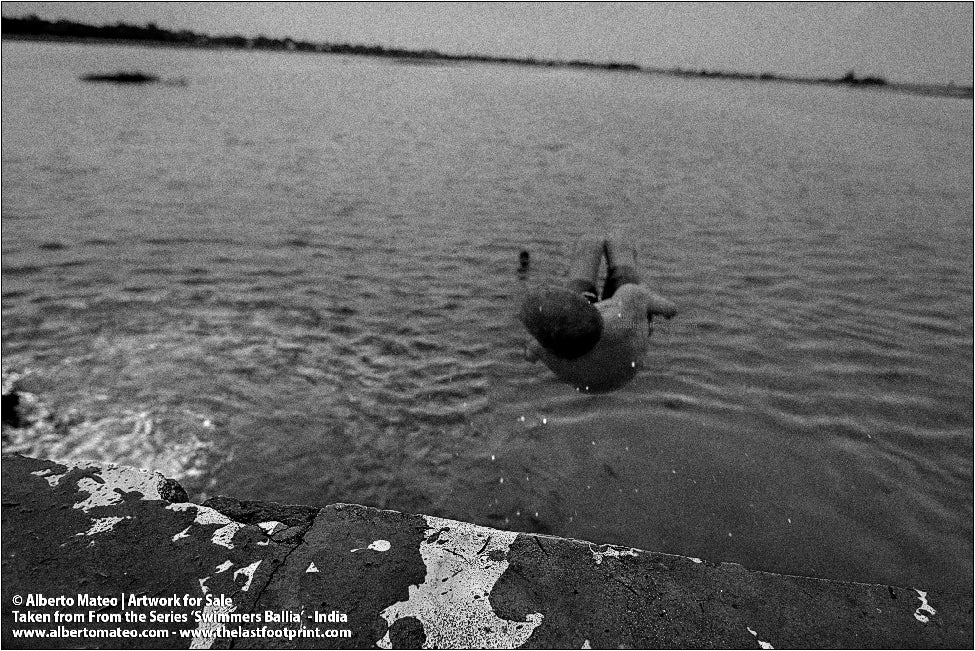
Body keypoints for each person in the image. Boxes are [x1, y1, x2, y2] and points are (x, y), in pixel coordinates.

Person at [519, 234, 676, 393]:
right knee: (623, 264)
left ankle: (592, 242)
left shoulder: (542, 346)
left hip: (589, 383)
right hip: (624, 351)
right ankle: (611, 239)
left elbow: (529, 355)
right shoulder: (625, 308)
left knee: (585, 258)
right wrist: (647, 296)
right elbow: (670, 309)